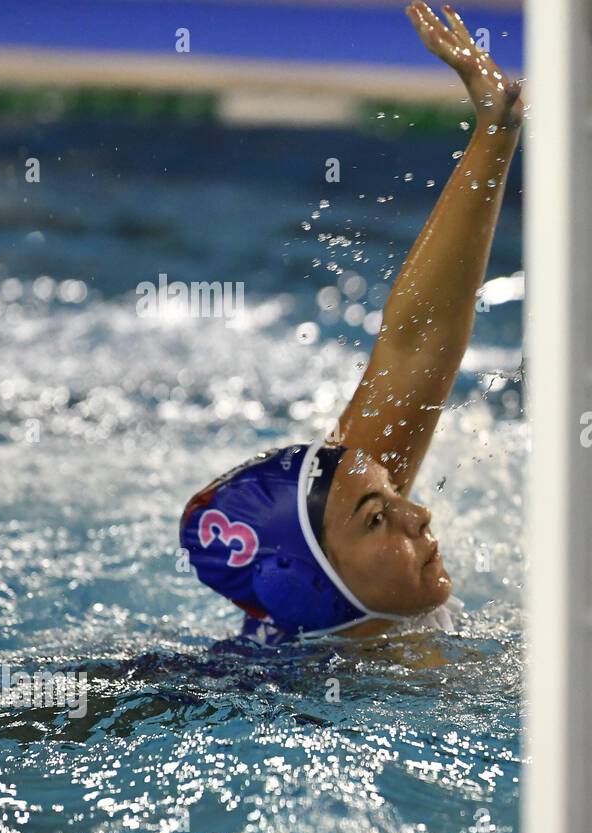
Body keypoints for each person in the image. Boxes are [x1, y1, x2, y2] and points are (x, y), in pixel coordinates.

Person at [179, 3, 522, 646]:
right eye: (376, 520)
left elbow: (412, 346)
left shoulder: (363, 585)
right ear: (307, 587)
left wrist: (495, 130)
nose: (417, 514)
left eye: (391, 495)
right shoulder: (258, 705)